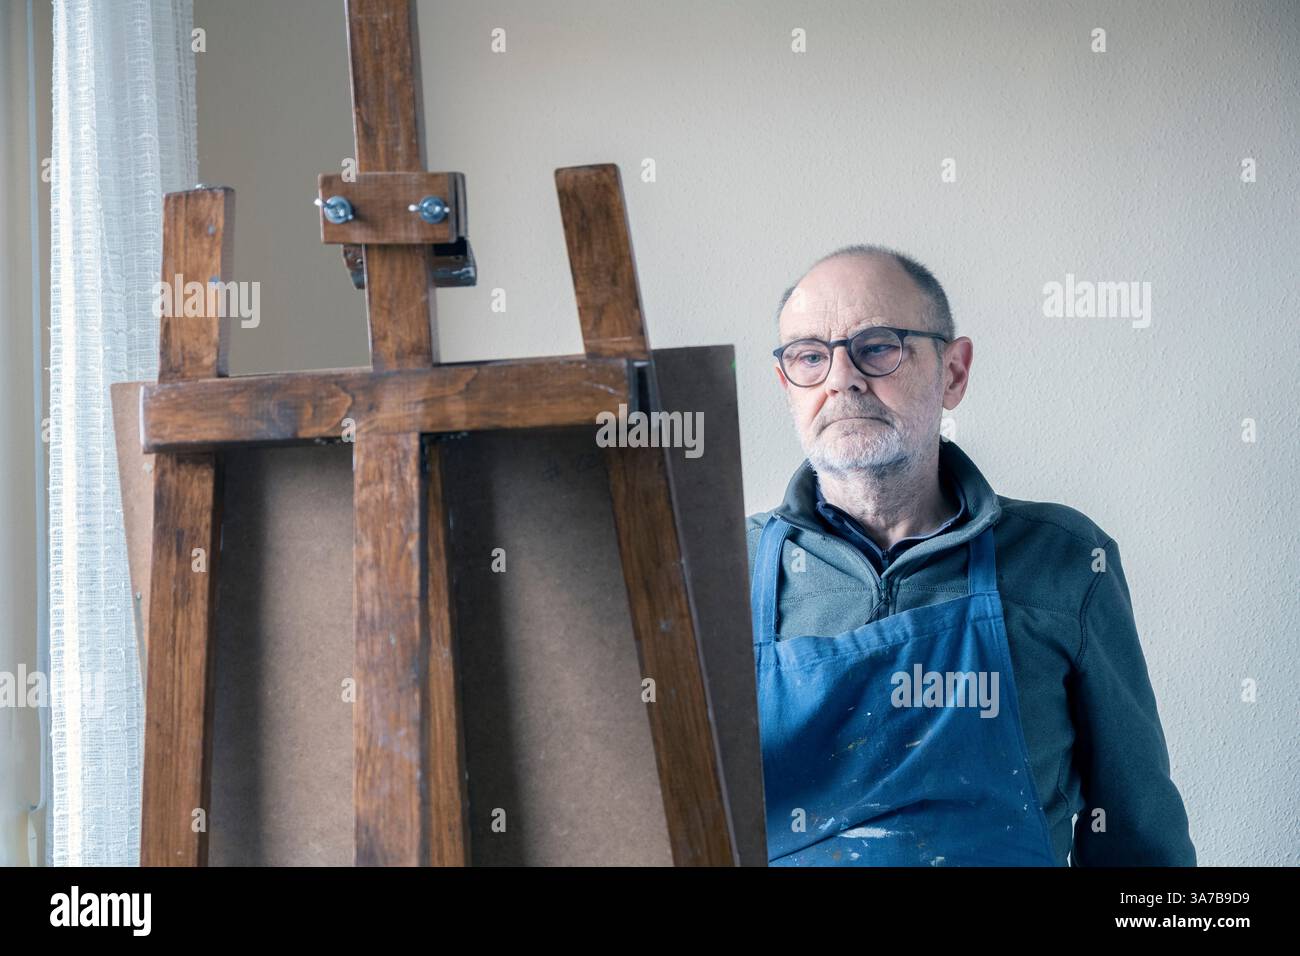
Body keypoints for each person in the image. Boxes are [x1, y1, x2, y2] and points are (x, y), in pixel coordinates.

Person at [747, 244, 1195, 866]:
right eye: (810, 357)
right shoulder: (720, 572)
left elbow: (1139, 842)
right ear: (787, 386)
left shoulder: (1065, 560)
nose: (841, 378)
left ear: (953, 372)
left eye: (877, 347)